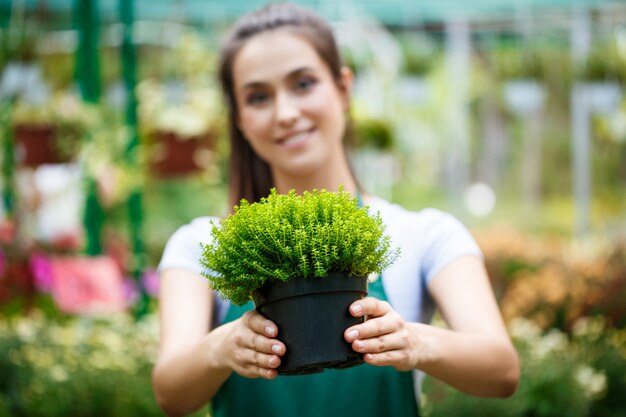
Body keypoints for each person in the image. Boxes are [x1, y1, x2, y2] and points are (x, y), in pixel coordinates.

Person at [152, 3, 520, 416]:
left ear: (344, 88)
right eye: (258, 97)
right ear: (239, 118)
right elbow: (171, 393)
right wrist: (218, 348)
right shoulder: (202, 245)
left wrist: (416, 342)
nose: (286, 113)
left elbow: (502, 370)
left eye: (303, 84)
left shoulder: (423, 235)